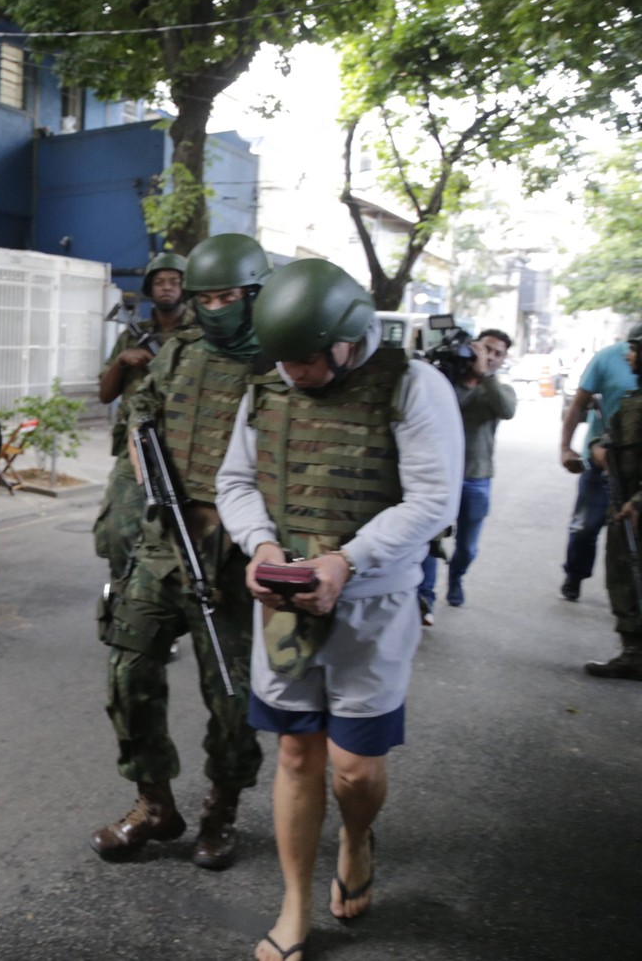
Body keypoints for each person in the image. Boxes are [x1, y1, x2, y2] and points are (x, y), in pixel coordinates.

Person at [215, 258, 461, 961]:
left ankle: (355, 835)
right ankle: (294, 904)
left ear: (350, 339)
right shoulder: (266, 389)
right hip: (286, 603)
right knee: (295, 752)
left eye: (307, 359)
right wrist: (261, 545)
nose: (294, 372)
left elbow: (432, 498)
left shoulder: (413, 386)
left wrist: (346, 561)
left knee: (354, 768)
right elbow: (234, 480)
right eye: (283, 358)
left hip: (373, 604)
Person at [90, 233, 272, 871]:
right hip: (163, 540)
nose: (214, 308)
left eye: (227, 296)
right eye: (206, 297)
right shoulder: (182, 351)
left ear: (254, 294)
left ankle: (221, 808)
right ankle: (154, 803)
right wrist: (144, 454)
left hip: (235, 552)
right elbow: (142, 404)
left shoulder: (280, 363)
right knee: (128, 670)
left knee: (231, 691)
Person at [93, 252, 196, 582]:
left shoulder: (199, 336)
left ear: (185, 288)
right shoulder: (132, 335)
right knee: (115, 533)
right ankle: (123, 593)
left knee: (190, 539)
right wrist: (122, 362)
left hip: (189, 448)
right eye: (159, 282)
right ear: (150, 289)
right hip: (136, 447)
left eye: (174, 282)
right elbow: (105, 395)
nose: (167, 288)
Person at [417, 327, 516, 622]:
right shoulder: (446, 384)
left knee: (467, 547)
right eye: (486, 349)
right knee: (430, 539)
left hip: (476, 478)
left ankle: (457, 577)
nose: (491, 357)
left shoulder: (497, 390)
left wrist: (485, 374)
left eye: (498, 354)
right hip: (442, 476)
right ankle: (425, 598)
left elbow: (507, 409)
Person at [557, 330, 639, 601]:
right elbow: (579, 404)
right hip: (604, 461)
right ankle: (575, 575)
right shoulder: (607, 358)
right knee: (585, 527)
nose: (630, 357)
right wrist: (567, 448)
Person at [586, 324, 642, 680]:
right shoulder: (632, 400)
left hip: (634, 506)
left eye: (634, 349)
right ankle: (633, 652)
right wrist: (599, 450)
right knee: (622, 577)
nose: (628, 355)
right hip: (624, 504)